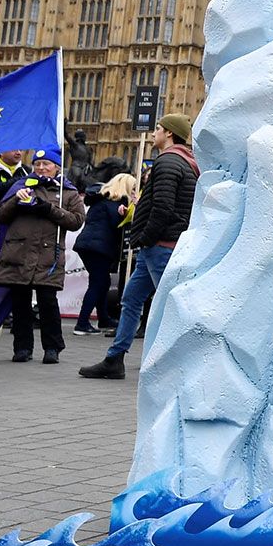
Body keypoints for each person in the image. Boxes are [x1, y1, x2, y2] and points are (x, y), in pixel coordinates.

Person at [81, 114, 197, 380]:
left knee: (168, 305)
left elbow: (164, 207)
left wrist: (145, 236)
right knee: (131, 299)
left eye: (158, 129)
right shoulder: (186, 161)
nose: (154, 133)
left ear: (169, 133)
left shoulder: (168, 161)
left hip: (160, 244)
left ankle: (178, 365)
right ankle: (115, 359)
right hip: (157, 245)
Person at [0, 147, 87, 364]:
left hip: (47, 255)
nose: (41, 168)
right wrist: (16, 200)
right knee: (20, 303)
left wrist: (49, 209)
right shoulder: (20, 186)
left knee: (47, 303)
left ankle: (52, 348)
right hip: (20, 253)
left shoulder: (67, 191)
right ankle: (22, 347)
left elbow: (76, 221)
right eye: (37, 164)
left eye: (47, 164)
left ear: (56, 167)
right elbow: (0, 215)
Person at [73, 173, 135, 335]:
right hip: (99, 247)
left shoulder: (101, 199)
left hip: (88, 244)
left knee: (102, 282)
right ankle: (82, 323)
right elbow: (117, 224)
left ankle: (103, 318)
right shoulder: (116, 202)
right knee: (98, 283)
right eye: (133, 188)